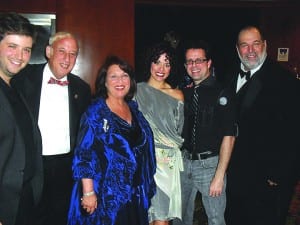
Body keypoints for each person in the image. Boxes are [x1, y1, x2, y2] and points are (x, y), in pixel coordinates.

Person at [13, 32, 91, 225]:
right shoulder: (22, 78)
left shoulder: (82, 89)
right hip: (31, 167)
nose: (67, 59)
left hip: (65, 169)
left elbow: (85, 135)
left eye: (73, 54)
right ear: (48, 51)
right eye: (62, 51)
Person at [67, 55, 156, 225]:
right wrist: (88, 192)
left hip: (134, 192)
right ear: (105, 82)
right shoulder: (95, 113)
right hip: (106, 194)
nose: (120, 81)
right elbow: (84, 154)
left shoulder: (133, 109)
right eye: (113, 76)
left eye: (124, 75)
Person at [225, 25, 300, 225]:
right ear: (237, 49)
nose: (250, 50)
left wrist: (280, 173)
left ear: (265, 45)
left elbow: (294, 132)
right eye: (244, 45)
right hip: (234, 176)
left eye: (255, 44)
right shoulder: (229, 76)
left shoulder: (286, 81)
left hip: (268, 178)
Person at [174, 40, 237, 225]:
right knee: (179, 217)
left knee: (216, 219)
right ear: (185, 65)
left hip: (210, 165)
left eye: (199, 60)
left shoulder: (222, 92)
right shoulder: (184, 94)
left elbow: (229, 136)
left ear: (209, 63)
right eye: (189, 62)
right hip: (184, 163)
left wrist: (219, 175)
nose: (194, 66)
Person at [0, 12, 43, 225]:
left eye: (26, 50)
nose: (20, 55)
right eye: (12, 46)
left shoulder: (16, 86)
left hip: (23, 199)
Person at [135, 42, 184, 225]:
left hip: (166, 164)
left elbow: (178, 131)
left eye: (167, 63)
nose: (161, 68)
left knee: (161, 218)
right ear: (149, 63)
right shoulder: (135, 91)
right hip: (142, 162)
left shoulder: (176, 95)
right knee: (143, 216)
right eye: (157, 62)